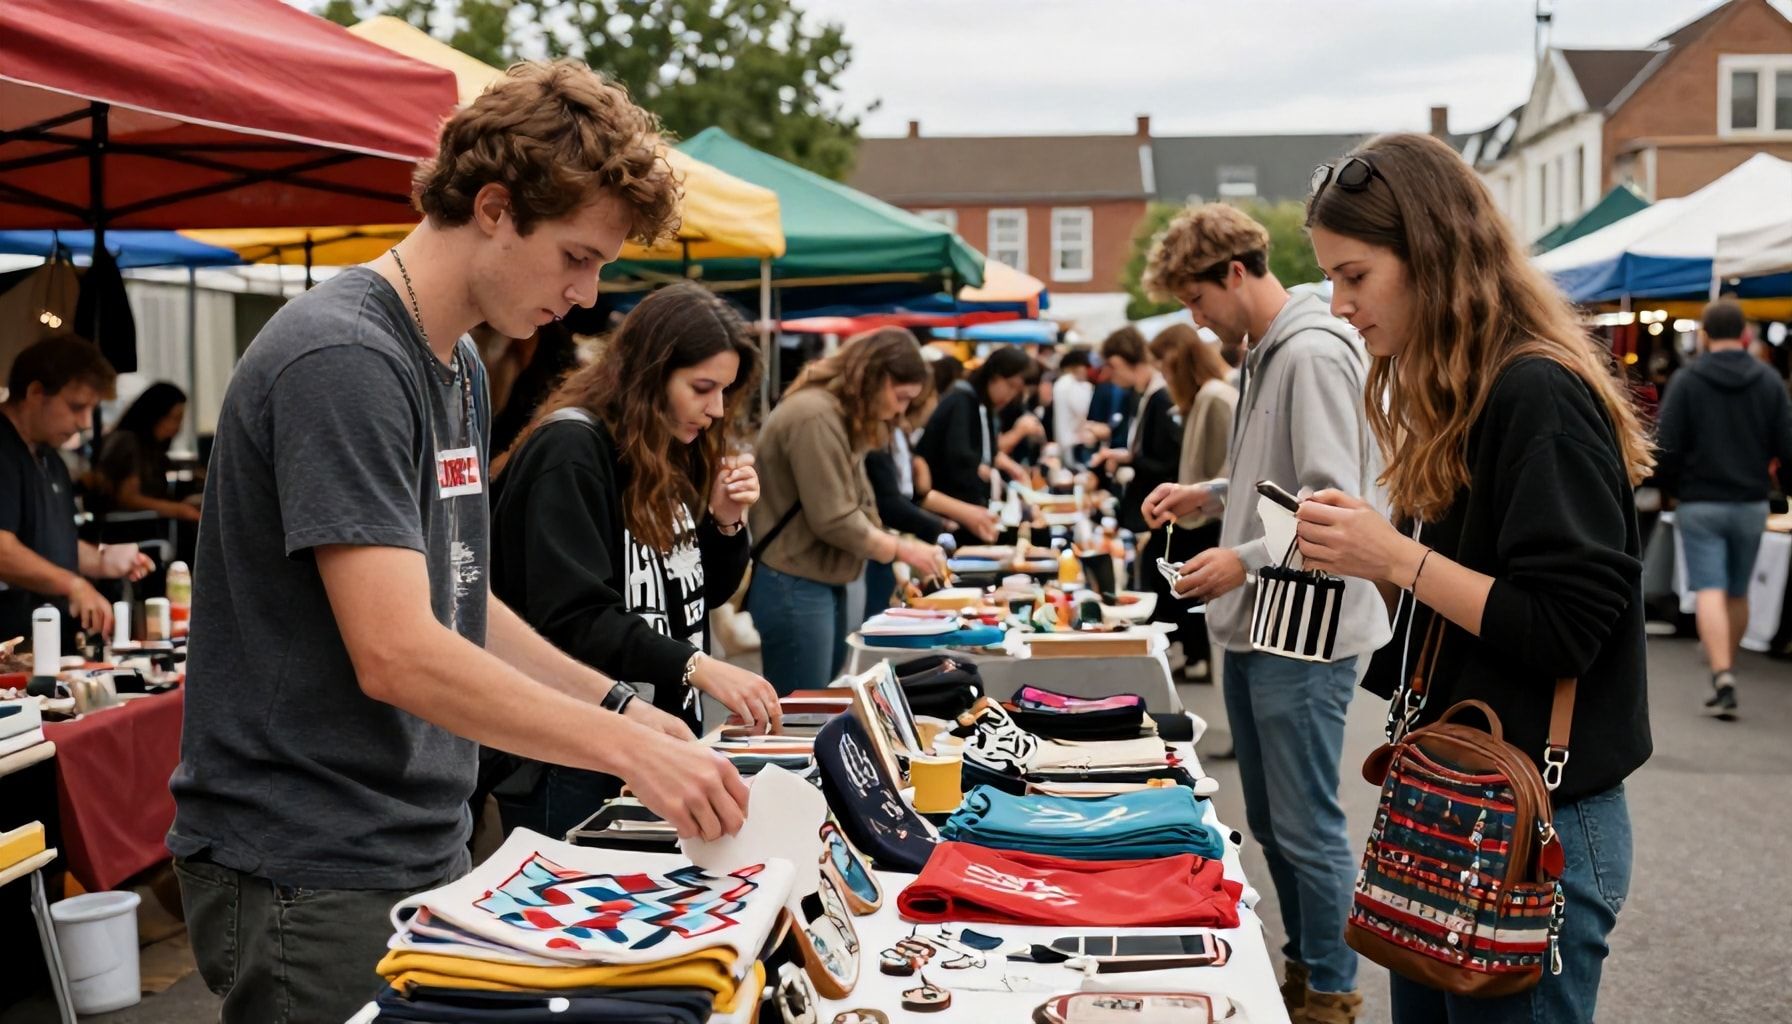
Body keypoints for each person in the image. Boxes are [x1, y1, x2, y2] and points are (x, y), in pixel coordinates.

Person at [166, 61, 750, 1024]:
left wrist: (615, 704)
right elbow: (397, 653)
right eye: (575, 256)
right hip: (312, 856)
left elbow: (462, 599)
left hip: (416, 835)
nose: (586, 294)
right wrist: (623, 748)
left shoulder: (460, 367)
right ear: (493, 208)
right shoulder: (346, 357)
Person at [1290, 132, 1654, 1023]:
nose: (1340, 304)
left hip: (1532, 821)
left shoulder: (1536, 393)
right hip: (1458, 799)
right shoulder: (1467, 391)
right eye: (1331, 279)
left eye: (1354, 275)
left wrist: (1394, 556)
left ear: (1432, 254)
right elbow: (1465, 610)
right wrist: (1373, 560)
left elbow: (1565, 629)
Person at [1138, 201, 1386, 1024]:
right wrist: (1211, 494)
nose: (1195, 319)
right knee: (1279, 823)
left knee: (1304, 824)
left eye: (1196, 299)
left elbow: (1331, 498)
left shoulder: (1309, 352)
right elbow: (1279, 480)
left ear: (1236, 273)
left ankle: (1333, 989)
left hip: (1302, 629)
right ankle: (1309, 970)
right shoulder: (1272, 349)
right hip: (1267, 624)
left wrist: (1239, 557)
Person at [486, 282, 781, 839]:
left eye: (725, 391)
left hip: (653, 741)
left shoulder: (666, 447)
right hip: (575, 753)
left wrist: (725, 523)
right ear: (650, 373)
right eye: (702, 388)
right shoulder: (572, 450)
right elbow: (573, 618)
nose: (716, 409)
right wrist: (698, 666)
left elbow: (694, 597)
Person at [748, 328, 948, 692]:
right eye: (901, 397)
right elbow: (834, 518)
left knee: (816, 702)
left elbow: (859, 505)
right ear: (876, 377)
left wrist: (897, 554)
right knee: (804, 709)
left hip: (811, 579)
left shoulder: (831, 413)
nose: (900, 410)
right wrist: (902, 549)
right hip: (796, 581)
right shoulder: (815, 415)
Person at [1655, 299, 1792, 719]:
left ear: (1705, 334)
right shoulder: (1769, 381)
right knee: (1737, 590)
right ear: (1746, 335)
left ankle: (1722, 674)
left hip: (1700, 501)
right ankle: (1726, 661)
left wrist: (1672, 488)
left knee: (1709, 587)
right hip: (1751, 503)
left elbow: (1666, 444)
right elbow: (1786, 444)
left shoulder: (1687, 380)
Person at [0, 335, 153, 645]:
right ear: (35, 392)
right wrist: (73, 585)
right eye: (76, 407)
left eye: (91, 409)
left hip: (45, 647)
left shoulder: (50, 458)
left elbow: (50, 544)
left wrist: (101, 559)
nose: (85, 423)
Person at [1160, 323, 1237, 680]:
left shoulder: (1215, 396)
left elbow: (1228, 463)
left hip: (1207, 515)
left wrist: (1204, 497)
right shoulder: (1209, 395)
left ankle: (1198, 657)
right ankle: (1196, 657)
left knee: (1192, 586)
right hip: (1203, 508)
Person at [1092, 326, 1182, 600]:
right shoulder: (1143, 395)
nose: (1110, 374)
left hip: (1157, 512)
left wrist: (1131, 461)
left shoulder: (1160, 397)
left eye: (1112, 366)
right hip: (1147, 510)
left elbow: (1168, 462)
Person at [915, 345, 1034, 522]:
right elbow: (960, 462)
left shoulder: (981, 405)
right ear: (994, 375)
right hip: (944, 513)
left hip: (965, 510)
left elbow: (988, 453)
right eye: (1010, 385)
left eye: (1017, 390)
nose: (1010, 395)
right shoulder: (961, 401)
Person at [87, 381, 202, 523]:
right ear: (155, 415)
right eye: (174, 418)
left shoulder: (151, 450)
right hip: (124, 528)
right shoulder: (127, 441)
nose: (178, 427)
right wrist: (178, 510)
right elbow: (128, 498)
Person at [1051, 347, 1095, 461]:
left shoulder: (1060, 384)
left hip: (1065, 440)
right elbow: (1083, 409)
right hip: (1073, 441)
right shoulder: (1070, 384)